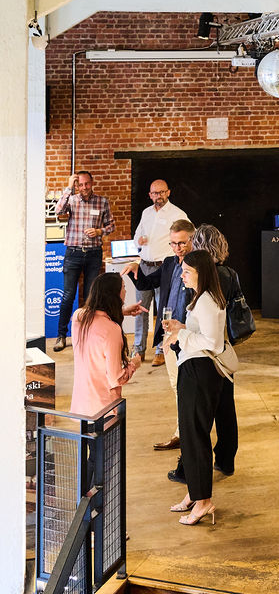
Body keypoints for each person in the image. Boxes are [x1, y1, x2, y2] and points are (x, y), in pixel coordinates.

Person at [167, 224, 240, 481]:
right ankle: (225, 460)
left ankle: (190, 471)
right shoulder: (230, 273)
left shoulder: (206, 283)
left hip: (207, 357)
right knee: (225, 410)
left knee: (197, 421)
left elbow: (208, 337)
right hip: (224, 353)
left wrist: (181, 334)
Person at [162, 249, 229, 527]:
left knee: (195, 437)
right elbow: (201, 333)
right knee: (190, 436)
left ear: (202, 273)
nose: (182, 275)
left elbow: (213, 342)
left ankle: (203, 502)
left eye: (187, 271)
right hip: (194, 369)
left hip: (200, 372)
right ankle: (194, 492)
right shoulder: (201, 298)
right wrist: (181, 327)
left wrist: (181, 334)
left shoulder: (207, 302)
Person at [121, 219, 195, 452]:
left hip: (190, 334)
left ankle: (187, 433)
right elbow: (146, 284)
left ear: (192, 240)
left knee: (189, 386)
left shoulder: (199, 265)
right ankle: (182, 432)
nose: (177, 248)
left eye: (182, 243)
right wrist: (136, 270)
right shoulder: (169, 263)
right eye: (173, 243)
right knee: (176, 384)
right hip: (169, 334)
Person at [53, 171, 115, 352]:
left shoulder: (102, 201)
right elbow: (58, 211)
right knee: (68, 296)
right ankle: (61, 336)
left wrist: (99, 231)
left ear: (92, 183)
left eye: (87, 184)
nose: (84, 187)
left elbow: (111, 225)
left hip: (94, 254)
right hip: (73, 253)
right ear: (76, 185)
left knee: (90, 296)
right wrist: (68, 187)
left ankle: (87, 335)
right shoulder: (71, 200)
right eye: (80, 184)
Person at [132, 179, 189, 366]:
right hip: (144, 265)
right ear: (150, 195)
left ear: (168, 192)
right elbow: (137, 236)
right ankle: (138, 349)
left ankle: (161, 349)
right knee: (140, 309)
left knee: (164, 310)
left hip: (164, 267)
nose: (159, 196)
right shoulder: (146, 213)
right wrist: (139, 242)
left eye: (162, 192)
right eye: (155, 193)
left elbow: (190, 235)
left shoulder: (177, 214)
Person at [69, 273, 143, 415]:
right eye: (123, 287)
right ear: (114, 295)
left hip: (82, 404)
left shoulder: (79, 317)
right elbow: (116, 378)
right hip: (105, 407)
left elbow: (96, 317)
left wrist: (122, 312)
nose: (125, 291)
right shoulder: (111, 329)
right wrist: (134, 364)